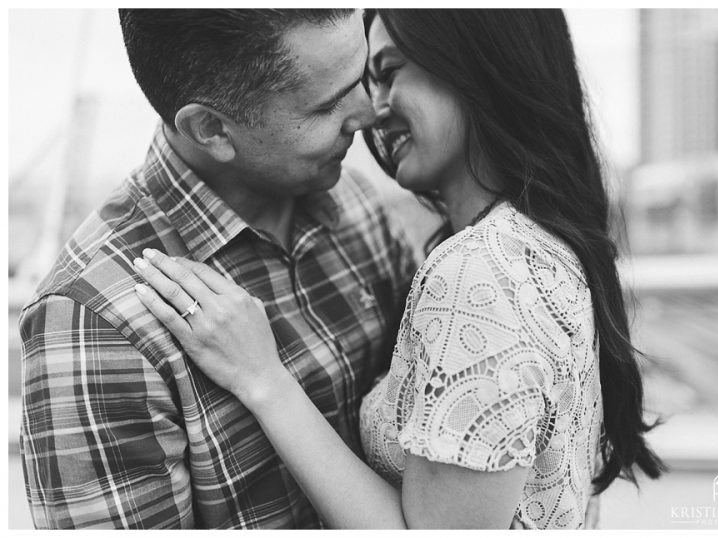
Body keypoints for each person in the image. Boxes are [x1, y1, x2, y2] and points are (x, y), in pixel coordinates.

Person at [133, 8, 667, 530]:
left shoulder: (479, 271)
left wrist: (264, 381)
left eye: (387, 73)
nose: (372, 109)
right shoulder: (537, 241)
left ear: (474, 64)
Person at [18, 9, 419, 529]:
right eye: (327, 105)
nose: (369, 112)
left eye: (361, 76)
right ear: (211, 129)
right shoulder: (95, 321)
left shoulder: (355, 201)